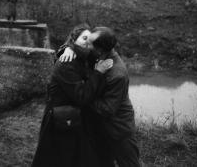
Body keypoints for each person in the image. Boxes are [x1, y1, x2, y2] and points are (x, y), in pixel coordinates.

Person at [31, 24, 113, 167]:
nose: (88, 42)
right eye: (84, 38)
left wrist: (67, 47)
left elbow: (103, 46)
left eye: (90, 39)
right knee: (58, 159)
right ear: (74, 40)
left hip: (72, 115)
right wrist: (98, 73)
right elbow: (82, 97)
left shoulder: (85, 56)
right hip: (60, 119)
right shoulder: (67, 63)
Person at [59, 27, 140, 167]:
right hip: (100, 128)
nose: (86, 45)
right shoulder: (96, 54)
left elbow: (107, 109)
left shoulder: (117, 74)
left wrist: (81, 97)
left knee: (129, 164)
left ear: (100, 50)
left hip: (119, 129)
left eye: (89, 43)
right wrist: (68, 48)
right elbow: (76, 42)